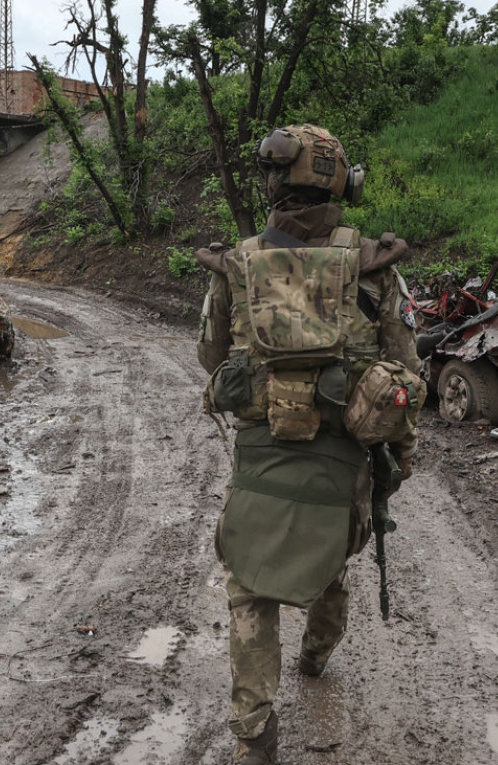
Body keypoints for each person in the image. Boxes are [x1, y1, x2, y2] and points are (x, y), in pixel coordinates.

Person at [195, 124, 421, 765]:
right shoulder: (374, 266)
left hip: (261, 449)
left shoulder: (238, 263)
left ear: (273, 182)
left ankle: (254, 733)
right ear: (341, 183)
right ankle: (316, 656)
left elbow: (210, 355)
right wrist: (401, 455)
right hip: (342, 455)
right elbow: (408, 366)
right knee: (330, 558)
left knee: (249, 584)